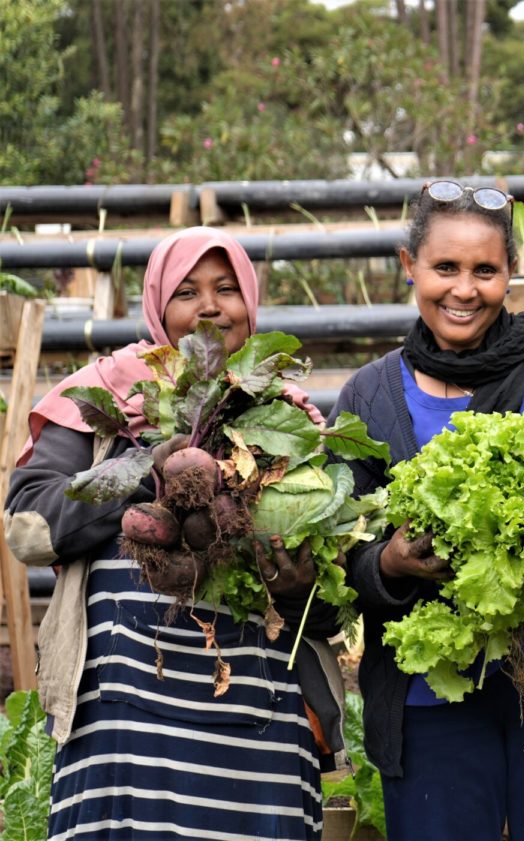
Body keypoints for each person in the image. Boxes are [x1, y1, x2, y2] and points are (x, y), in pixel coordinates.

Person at [6, 226, 337, 840]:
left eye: (226, 289)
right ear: (158, 305)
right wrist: (145, 480)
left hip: (258, 725)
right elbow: (29, 527)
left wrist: (298, 587)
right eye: (186, 292)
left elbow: (332, 597)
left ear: (251, 303)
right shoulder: (102, 393)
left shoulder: (291, 419)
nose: (209, 307)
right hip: (123, 723)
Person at [332, 181, 524, 840]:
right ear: (408, 265)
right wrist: (388, 560)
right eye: (445, 268)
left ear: (510, 275)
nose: (463, 289)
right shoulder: (369, 395)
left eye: (485, 270)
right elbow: (336, 554)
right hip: (429, 693)